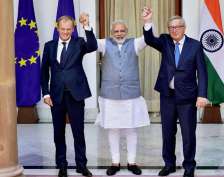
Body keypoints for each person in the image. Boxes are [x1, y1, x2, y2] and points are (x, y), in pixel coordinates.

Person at [79, 13, 150, 176]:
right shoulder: (104, 43)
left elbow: (147, 38)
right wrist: (87, 26)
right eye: (116, 31)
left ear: (126, 31)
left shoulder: (135, 43)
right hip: (110, 95)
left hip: (130, 94)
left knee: (131, 129)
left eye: (122, 31)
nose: (119, 33)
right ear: (112, 32)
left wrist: (147, 22)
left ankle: (132, 162)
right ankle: (115, 162)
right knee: (113, 129)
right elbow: (91, 43)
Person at [142, 7, 208, 177]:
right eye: (171, 27)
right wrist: (148, 21)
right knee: (167, 133)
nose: (174, 30)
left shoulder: (195, 45)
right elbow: (149, 39)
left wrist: (202, 95)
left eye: (177, 27)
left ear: (184, 28)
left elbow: (202, 72)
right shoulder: (164, 41)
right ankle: (169, 164)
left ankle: (189, 167)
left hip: (188, 98)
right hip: (168, 97)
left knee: (188, 134)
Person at [41, 15, 97, 177]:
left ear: (73, 29)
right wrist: (45, 93)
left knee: (78, 131)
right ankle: (62, 165)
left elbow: (92, 46)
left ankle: (81, 165)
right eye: (62, 29)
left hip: (76, 95)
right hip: (56, 95)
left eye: (68, 29)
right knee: (58, 132)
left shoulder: (79, 43)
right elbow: (44, 72)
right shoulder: (49, 46)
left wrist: (87, 25)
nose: (65, 32)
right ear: (57, 28)